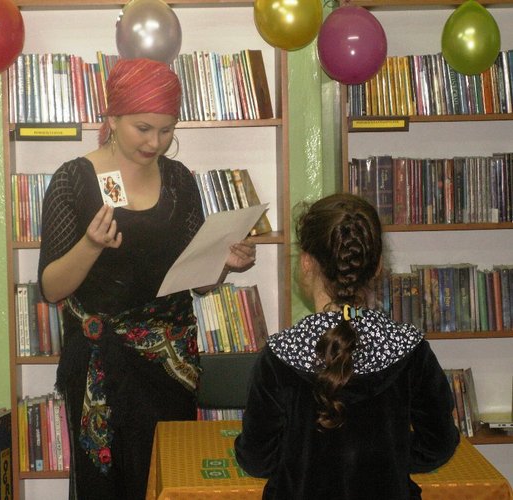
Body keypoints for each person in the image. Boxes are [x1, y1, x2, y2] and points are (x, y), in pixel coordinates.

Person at [38, 57, 256, 500]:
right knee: (104, 485)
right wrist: (91, 245)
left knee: (166, 479)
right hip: (100, 361)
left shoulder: (178, 180)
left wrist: (223, 264)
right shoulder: (72, 180)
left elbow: (196, 281)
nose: (155, 142)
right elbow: (51, 288)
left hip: (169, 362)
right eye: (143, 128)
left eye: (166, 130)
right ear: (113, 118)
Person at [234, 193, 459, 500]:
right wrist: (389, 458)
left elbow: (257, 459)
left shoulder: (279, 355)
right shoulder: (410, 349)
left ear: (306, 263)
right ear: (377, 266)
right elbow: (439, 444)